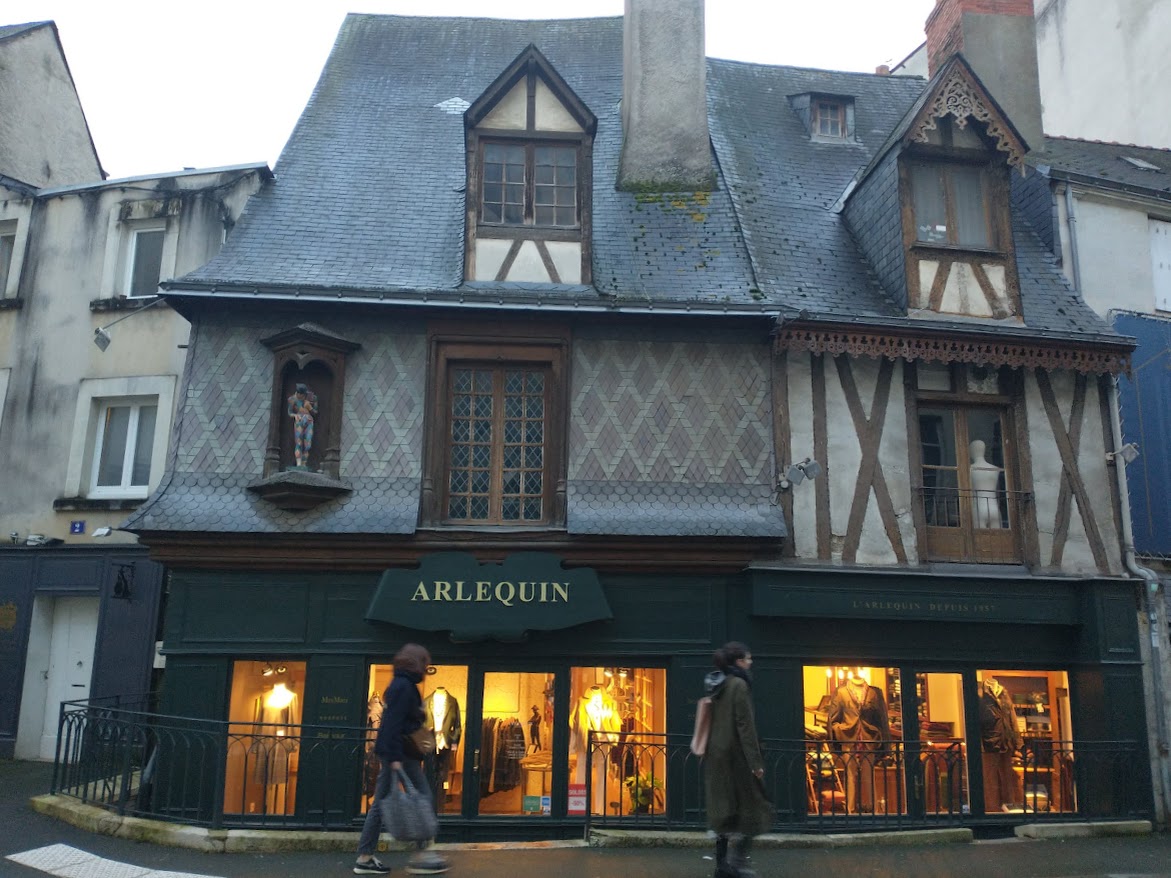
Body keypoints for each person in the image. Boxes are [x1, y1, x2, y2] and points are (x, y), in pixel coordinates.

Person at [355, 643, 450, 876]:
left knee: (382, 803)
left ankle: (365, 857)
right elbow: (392, 724)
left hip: (398, 752)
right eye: (424, 662)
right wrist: (395, 758)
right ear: (416, 663)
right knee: (422, 797)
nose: (426, 667)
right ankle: (423, 855)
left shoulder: (402, 684)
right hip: (400, 754)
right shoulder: (403, 686)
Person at [703, 642, 771, 878]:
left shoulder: (717, 684)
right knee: (754, 809)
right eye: (748, 658)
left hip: (717, 754)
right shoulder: (739, 685)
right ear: (739, 661)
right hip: (737, 757)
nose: (751, 662)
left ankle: (723, 865)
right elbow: (745, 725)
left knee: (724, 811)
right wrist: (756, 763)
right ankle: (737, 863)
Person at [287, 383, 318, 468]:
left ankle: (304, 464)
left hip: (309, 421)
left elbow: (315, 412)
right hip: (299, 421)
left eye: (302, 395)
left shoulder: (312, 398)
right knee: (298, 442)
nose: (300, 396)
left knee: (308, 443)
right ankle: (299, 464)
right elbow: (289, 412)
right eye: (299, 394)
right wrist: (295, 415)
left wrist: (310, 408)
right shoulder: (292, 399)